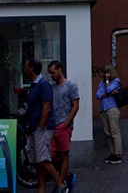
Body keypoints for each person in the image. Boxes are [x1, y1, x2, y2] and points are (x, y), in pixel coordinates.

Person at [24, 58, 67, 193]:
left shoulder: (43, 84)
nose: (24, 69)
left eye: (26, 67)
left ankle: (60, 185)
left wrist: (40, 128)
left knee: (42, 159)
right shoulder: (34, 85)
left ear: (31, 69)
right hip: (35, 128)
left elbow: (46, 108)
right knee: (38, 161)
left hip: (43, 129)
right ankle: (41, 189)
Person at [47, 61, 80, 193]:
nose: (51, 76)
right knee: (52, 156)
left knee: (64, 155)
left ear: (60, 70)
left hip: (63, 126)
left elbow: (76, 105)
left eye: (52, 72)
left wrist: (66, 123)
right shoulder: (52, 88)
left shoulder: (71, 85)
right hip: (53, 127)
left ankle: (59, 186)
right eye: (49, 73)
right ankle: (67, 176)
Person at [96, 64, 122, 164]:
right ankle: (112, 153)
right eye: (104, 72)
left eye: (107, 72)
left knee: (115, 132)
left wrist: (107, 82)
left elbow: (107, 89)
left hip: (112, 108)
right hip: (103, 109)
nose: (105, 74)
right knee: (108, 133)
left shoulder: (116, 82)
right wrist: (107, 94)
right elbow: (97, 95)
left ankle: (118, 154)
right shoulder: (101, 83)